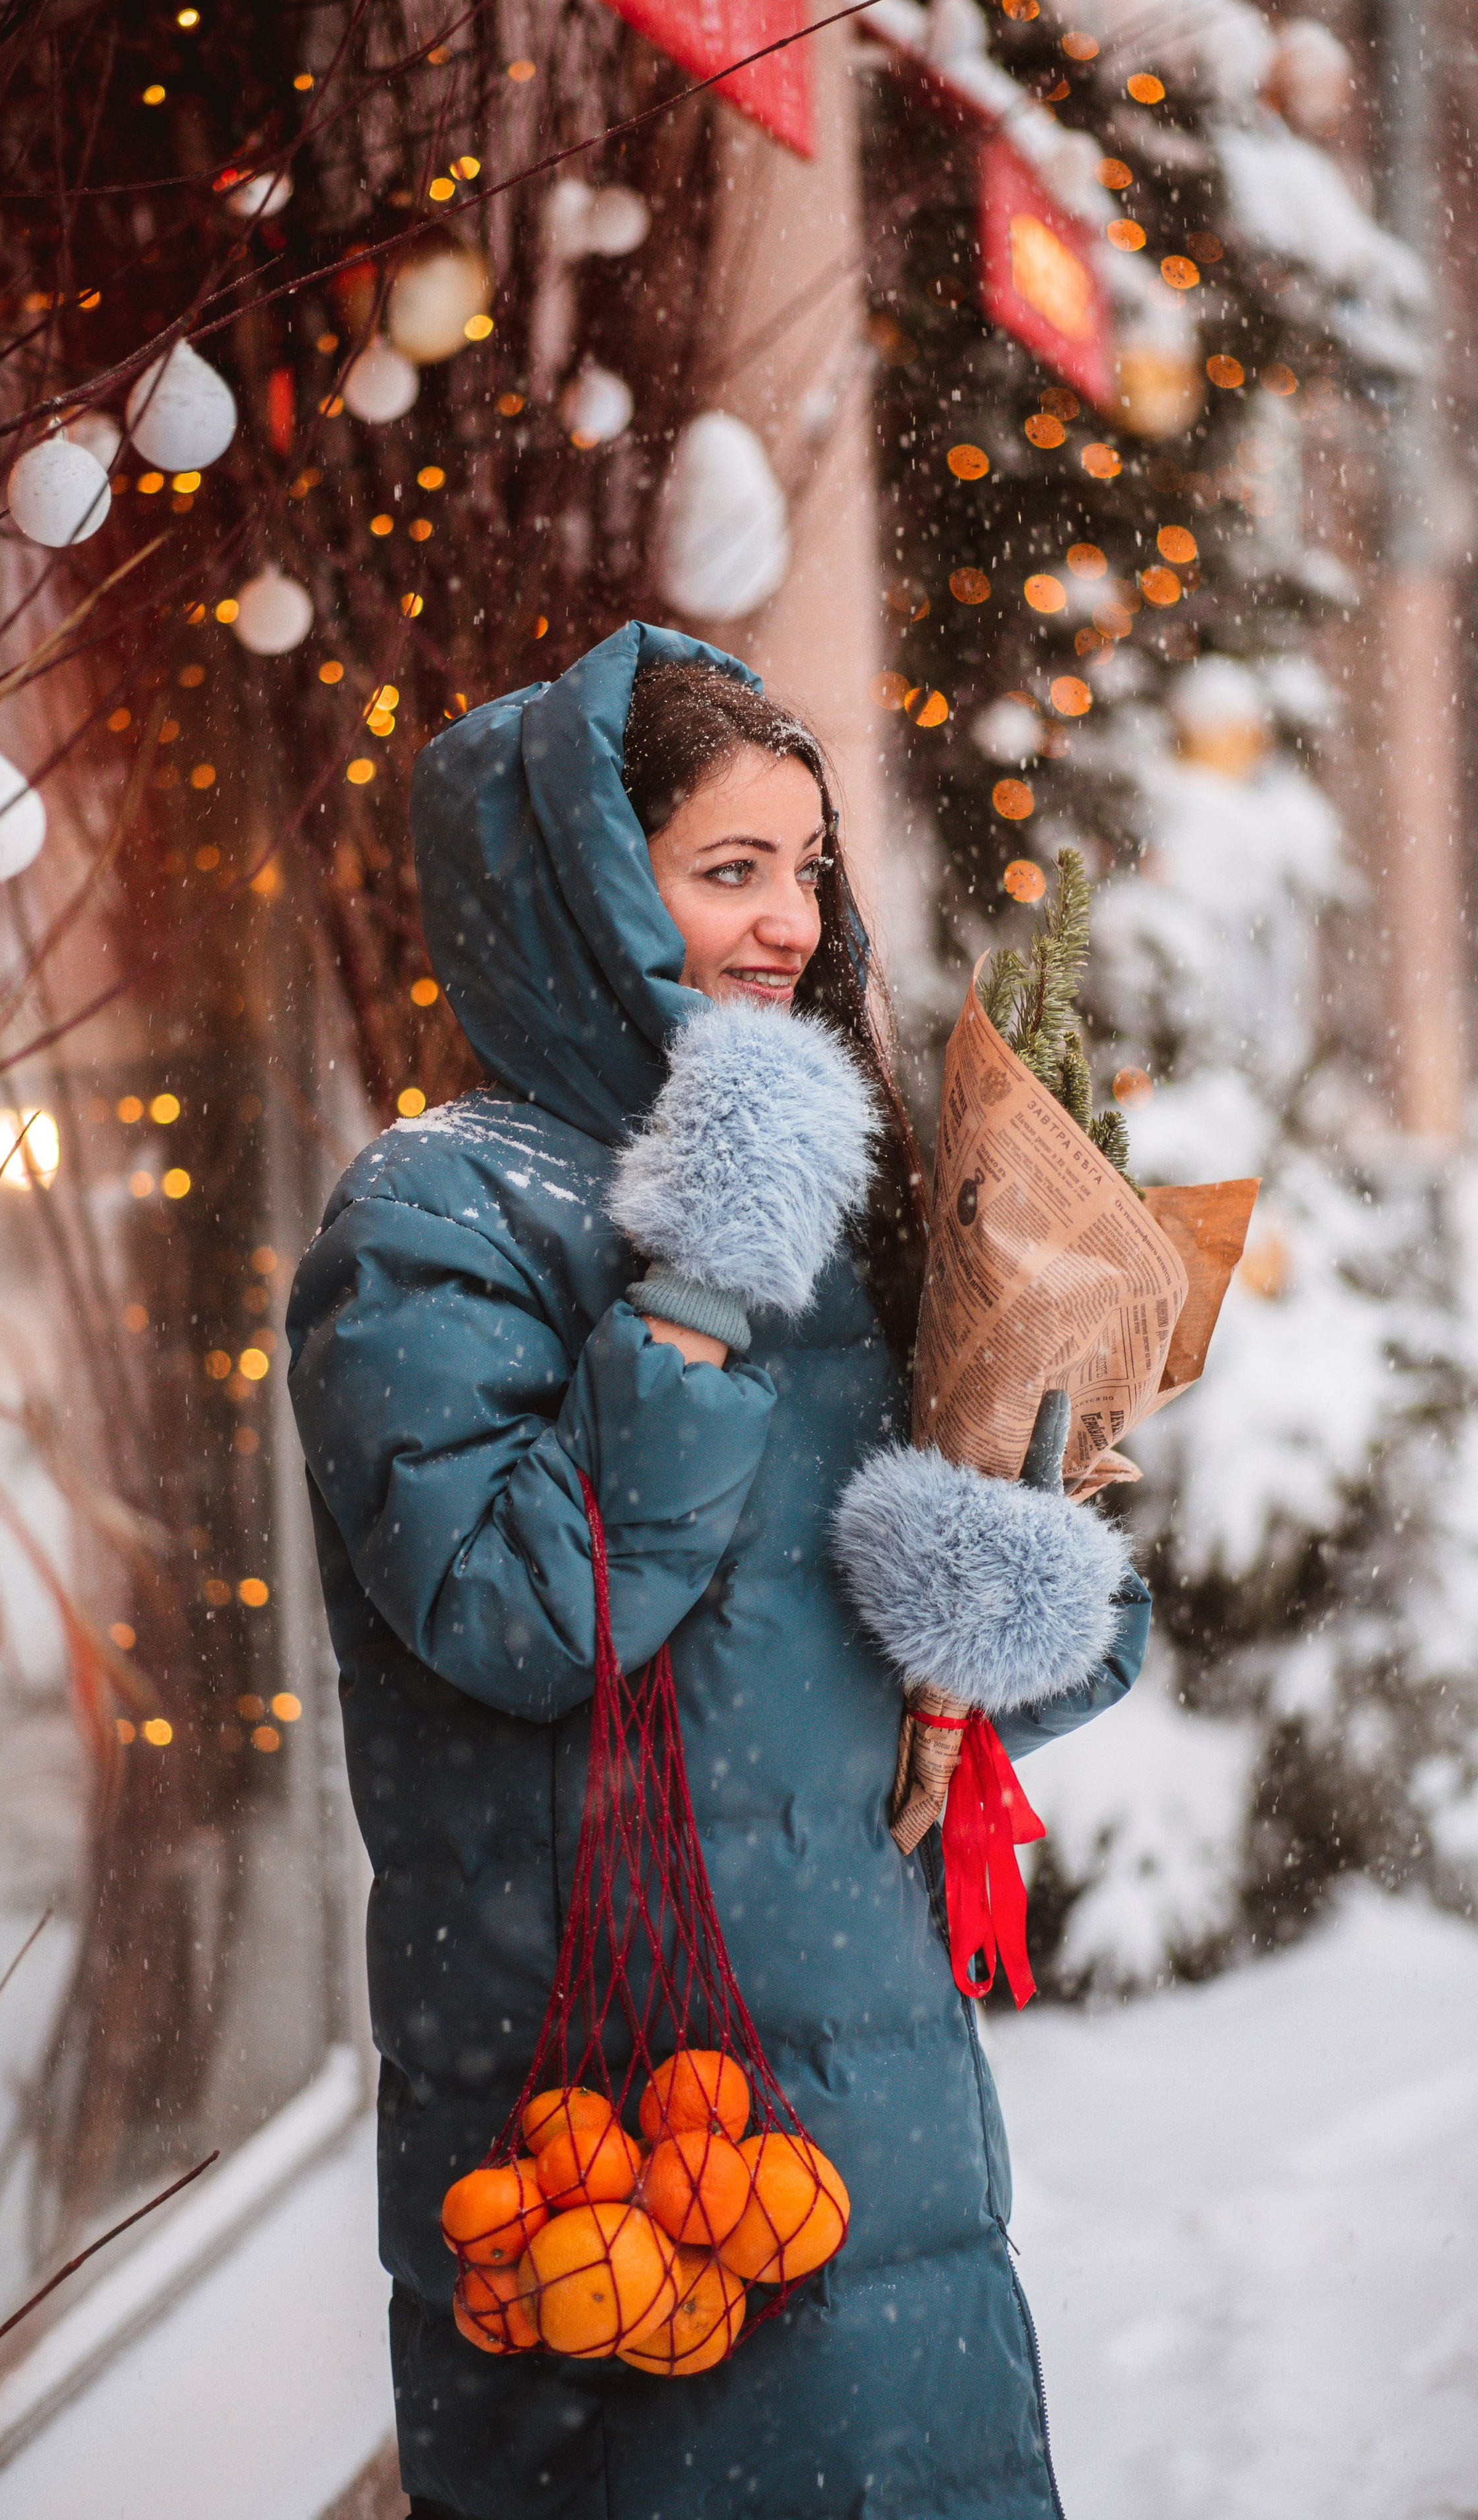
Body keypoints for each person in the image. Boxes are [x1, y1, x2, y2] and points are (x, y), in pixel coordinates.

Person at [287, 624, 1149, 2520]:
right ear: (581, 894)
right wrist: (696, 1273)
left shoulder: (844, 1189)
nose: (788, 923)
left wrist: (1006, 1587)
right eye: (727, 869)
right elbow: (528, 1616)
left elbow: (928, 1654)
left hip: (871, 2087)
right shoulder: (437, 1213)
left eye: (808, 865)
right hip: (622, 2127)